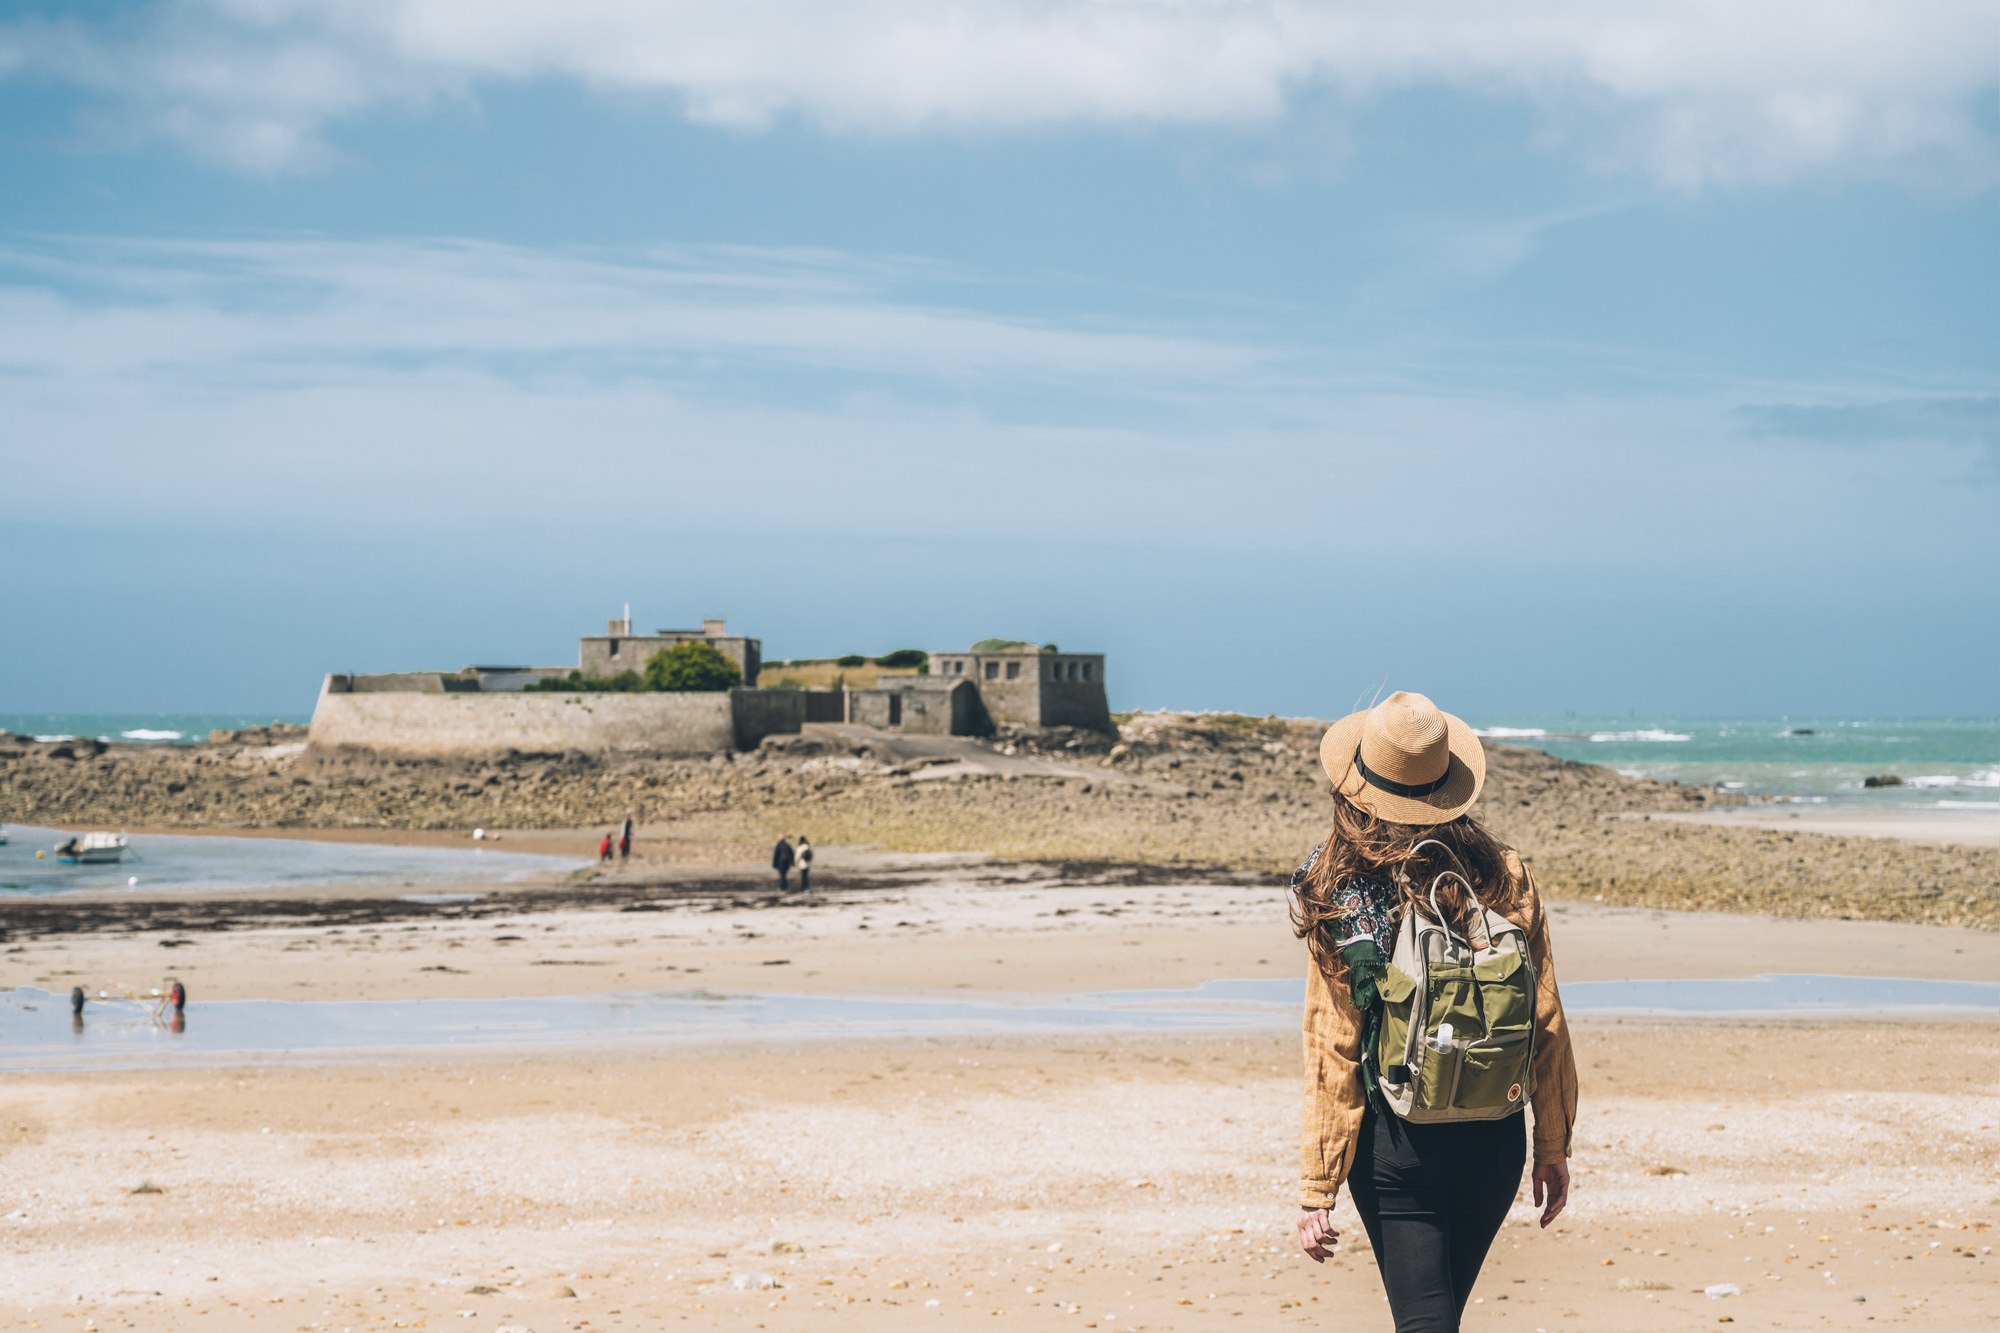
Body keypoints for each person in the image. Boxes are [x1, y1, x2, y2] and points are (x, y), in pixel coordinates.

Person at [1291, 692, 1577, 1332]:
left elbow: (1332, 1043)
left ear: (1355, 785)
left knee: (1425, 1322)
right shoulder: (1503, 874)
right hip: (1495, 1132)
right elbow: (1546, 1018)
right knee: (1436, 1317)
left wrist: (1318, 1185)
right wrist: (1551, 1142)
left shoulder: (1337, 887)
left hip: (1396, 1145)